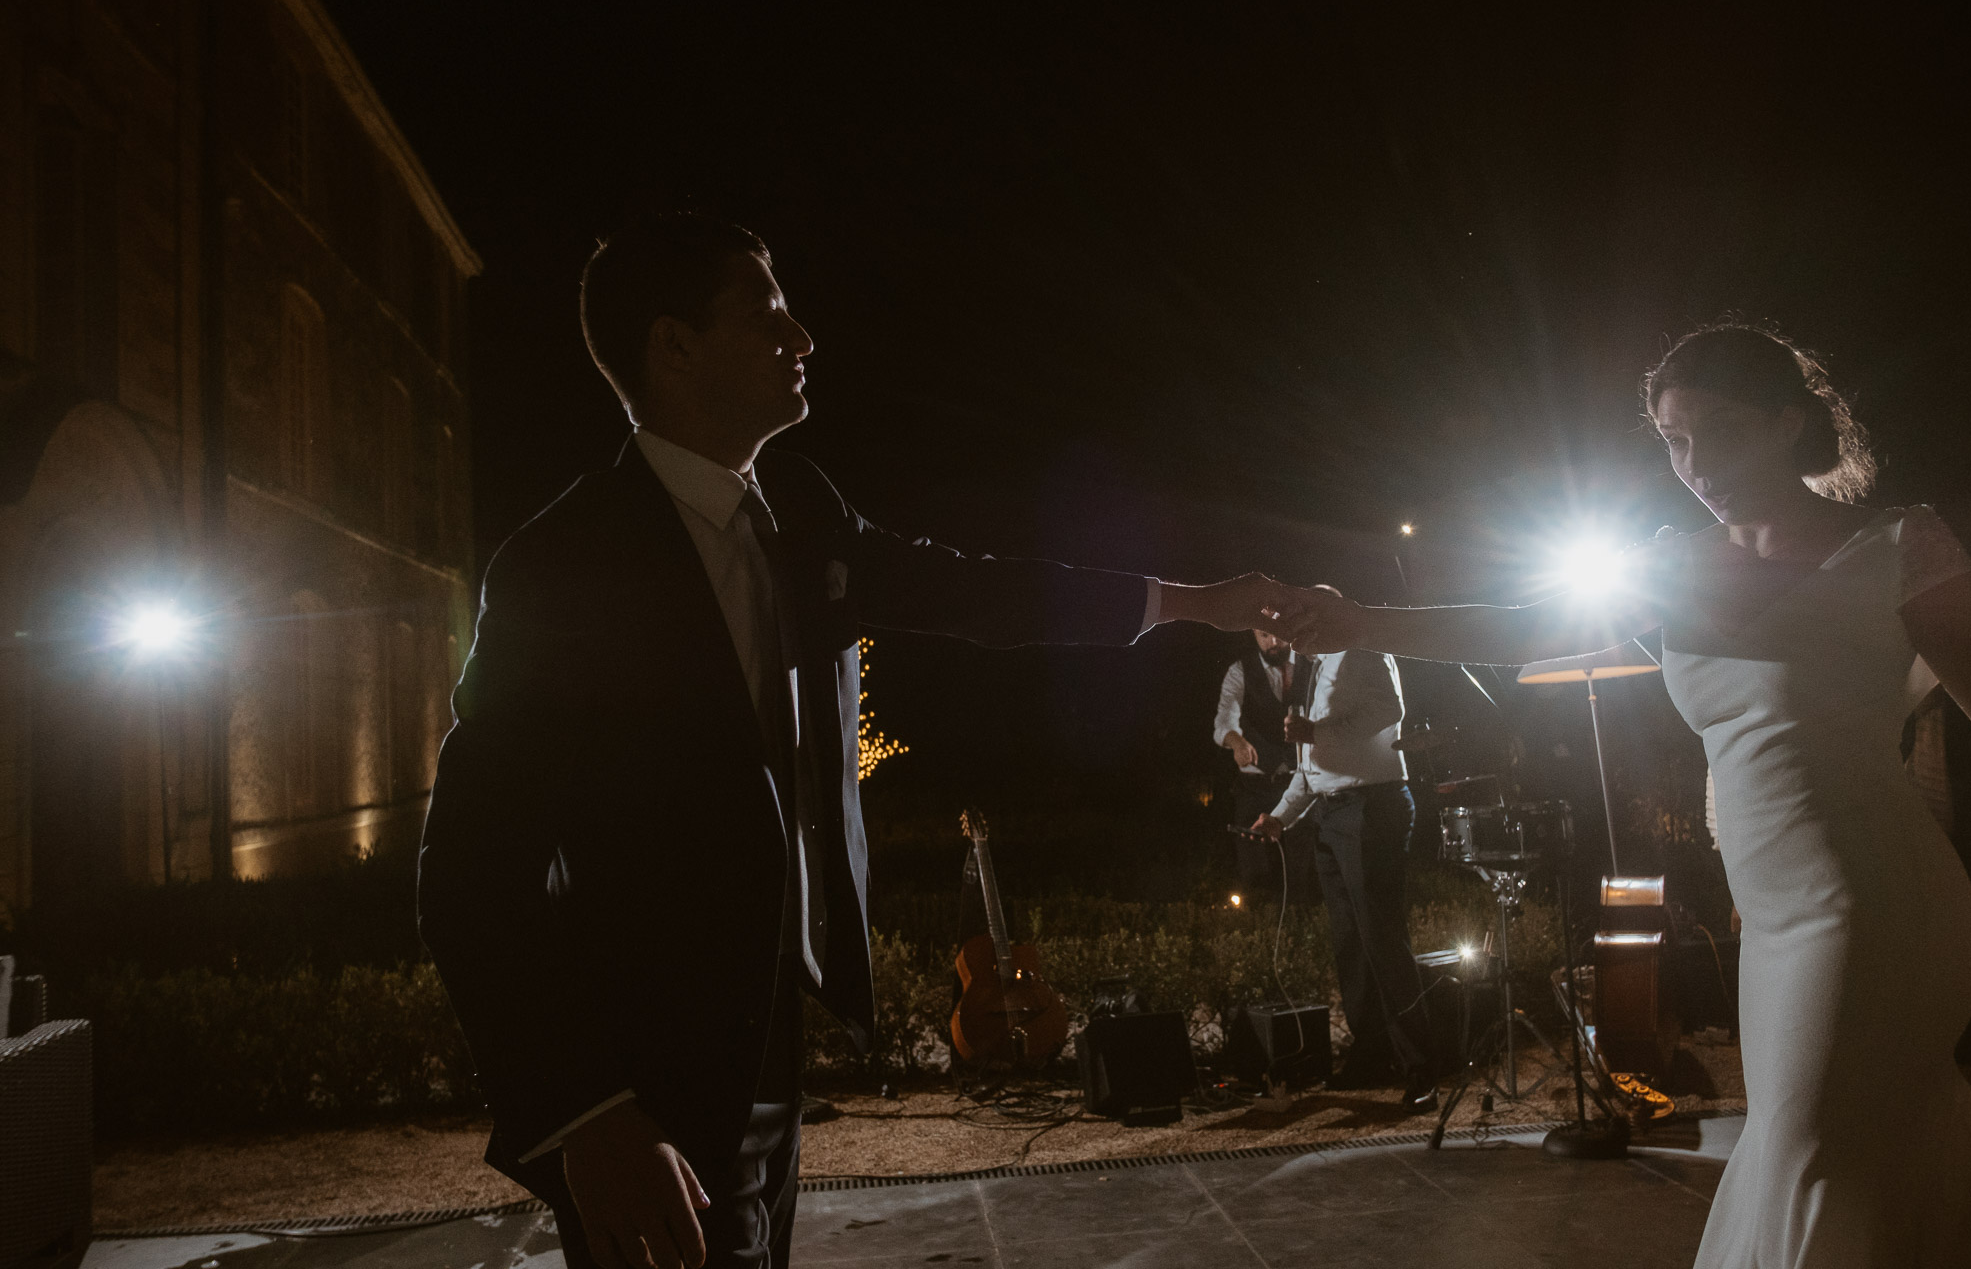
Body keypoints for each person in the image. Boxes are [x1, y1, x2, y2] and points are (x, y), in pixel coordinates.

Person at [416, 210, 1290, 1269]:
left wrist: (1197, 600)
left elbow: (978, 591)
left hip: (770, 1045)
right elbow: (471, 868)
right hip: (645, 1076)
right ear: (672, 345)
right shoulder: (562, 566)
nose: (802, 338)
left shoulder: (797, 508)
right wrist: (589, 1114)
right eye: (766, 311)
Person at [1270, 322, 1971, 1266]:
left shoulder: (1898, 544)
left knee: (1812, 1156)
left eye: (1718, 432)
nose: (1695, 464)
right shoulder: (1675, 561)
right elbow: (1524, 631)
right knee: (1881, 1153)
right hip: (1773, 921)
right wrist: (1362, 620)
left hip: (1879, 907)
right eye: (1675, 441)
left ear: (1788, 424)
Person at [1249, 591, 1437, 1106]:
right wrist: (1279, 818)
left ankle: (1421, 1067)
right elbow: (1311, 765)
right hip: (1334, 813)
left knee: (1380, 936)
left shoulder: (1362, 648)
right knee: (1349, 944)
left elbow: (1389, 709)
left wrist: (1317, 729)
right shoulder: (1313, 668)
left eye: (1299, 618)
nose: (1290, 632)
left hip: (1371, 806)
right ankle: (1372, 1054)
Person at [1213, 627, 1308, 894]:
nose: (1273, 642)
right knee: (1253, 865)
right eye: (1264, 636)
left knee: (1300, 865)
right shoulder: (1240, 670)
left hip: (1299, 781)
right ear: (1254, 634)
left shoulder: (1312, 666)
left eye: (1278, 634)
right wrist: (1236, 741)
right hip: (1254, 784)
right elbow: (1224, 718)